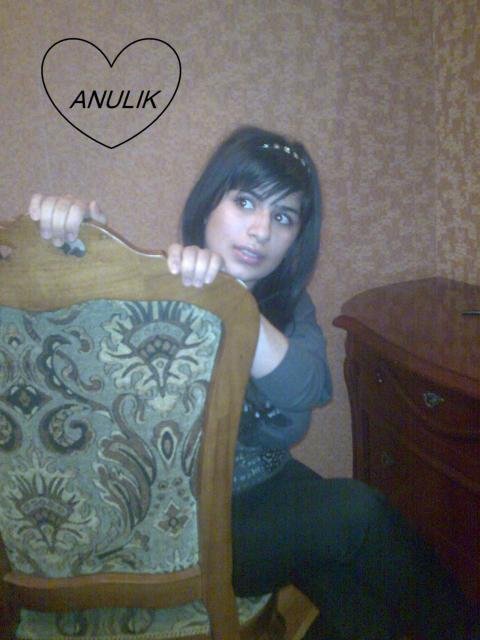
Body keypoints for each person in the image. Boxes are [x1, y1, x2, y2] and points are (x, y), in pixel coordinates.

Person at [28, 126, 475, 640]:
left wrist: (233, 298)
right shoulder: (152, 290)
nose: (261, 230)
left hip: (269, 486)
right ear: (207, 206)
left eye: (283, 217)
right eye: (245, 202)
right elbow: (62, 346)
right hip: (182, 526)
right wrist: (69, 246)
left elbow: (309, 389)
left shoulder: (288, 307)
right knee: (362, 515)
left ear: (296, 237)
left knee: (356, 590)